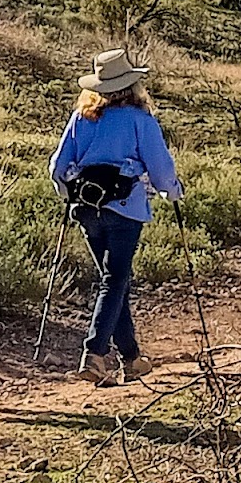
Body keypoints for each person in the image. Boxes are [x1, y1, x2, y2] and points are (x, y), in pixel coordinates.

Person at [49, 51, 185, 385]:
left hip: (86, 210)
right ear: (131, 84)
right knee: (115, 280)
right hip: (125, 209)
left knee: (115, 281)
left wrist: (69, 194)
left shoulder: (82, 117)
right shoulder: (141, 119)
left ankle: (132, 359)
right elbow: (161, 169)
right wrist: (173, 191)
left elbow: (56, 167)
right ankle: (94, 354)